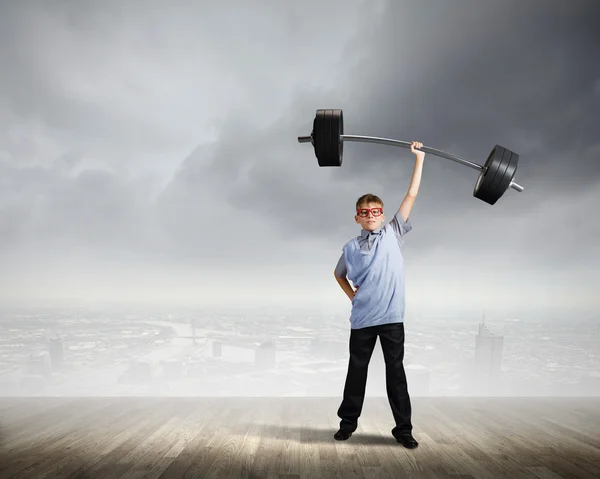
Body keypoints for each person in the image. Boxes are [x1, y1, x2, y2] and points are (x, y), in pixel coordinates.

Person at [333, 141, 425, 448]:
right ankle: (347, 424)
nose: (371, 215)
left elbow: (411, 194)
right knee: (356, 373)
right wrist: (352, 296)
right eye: (365, 212)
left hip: (390, 320)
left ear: (383, 215)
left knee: (395, 375)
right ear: (357, 217)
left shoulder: (393, 233)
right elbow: (338, 274)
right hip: (361, 321)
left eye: (376, 211)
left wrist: (419, 159)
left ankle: (403, 430)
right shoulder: (349, 247)